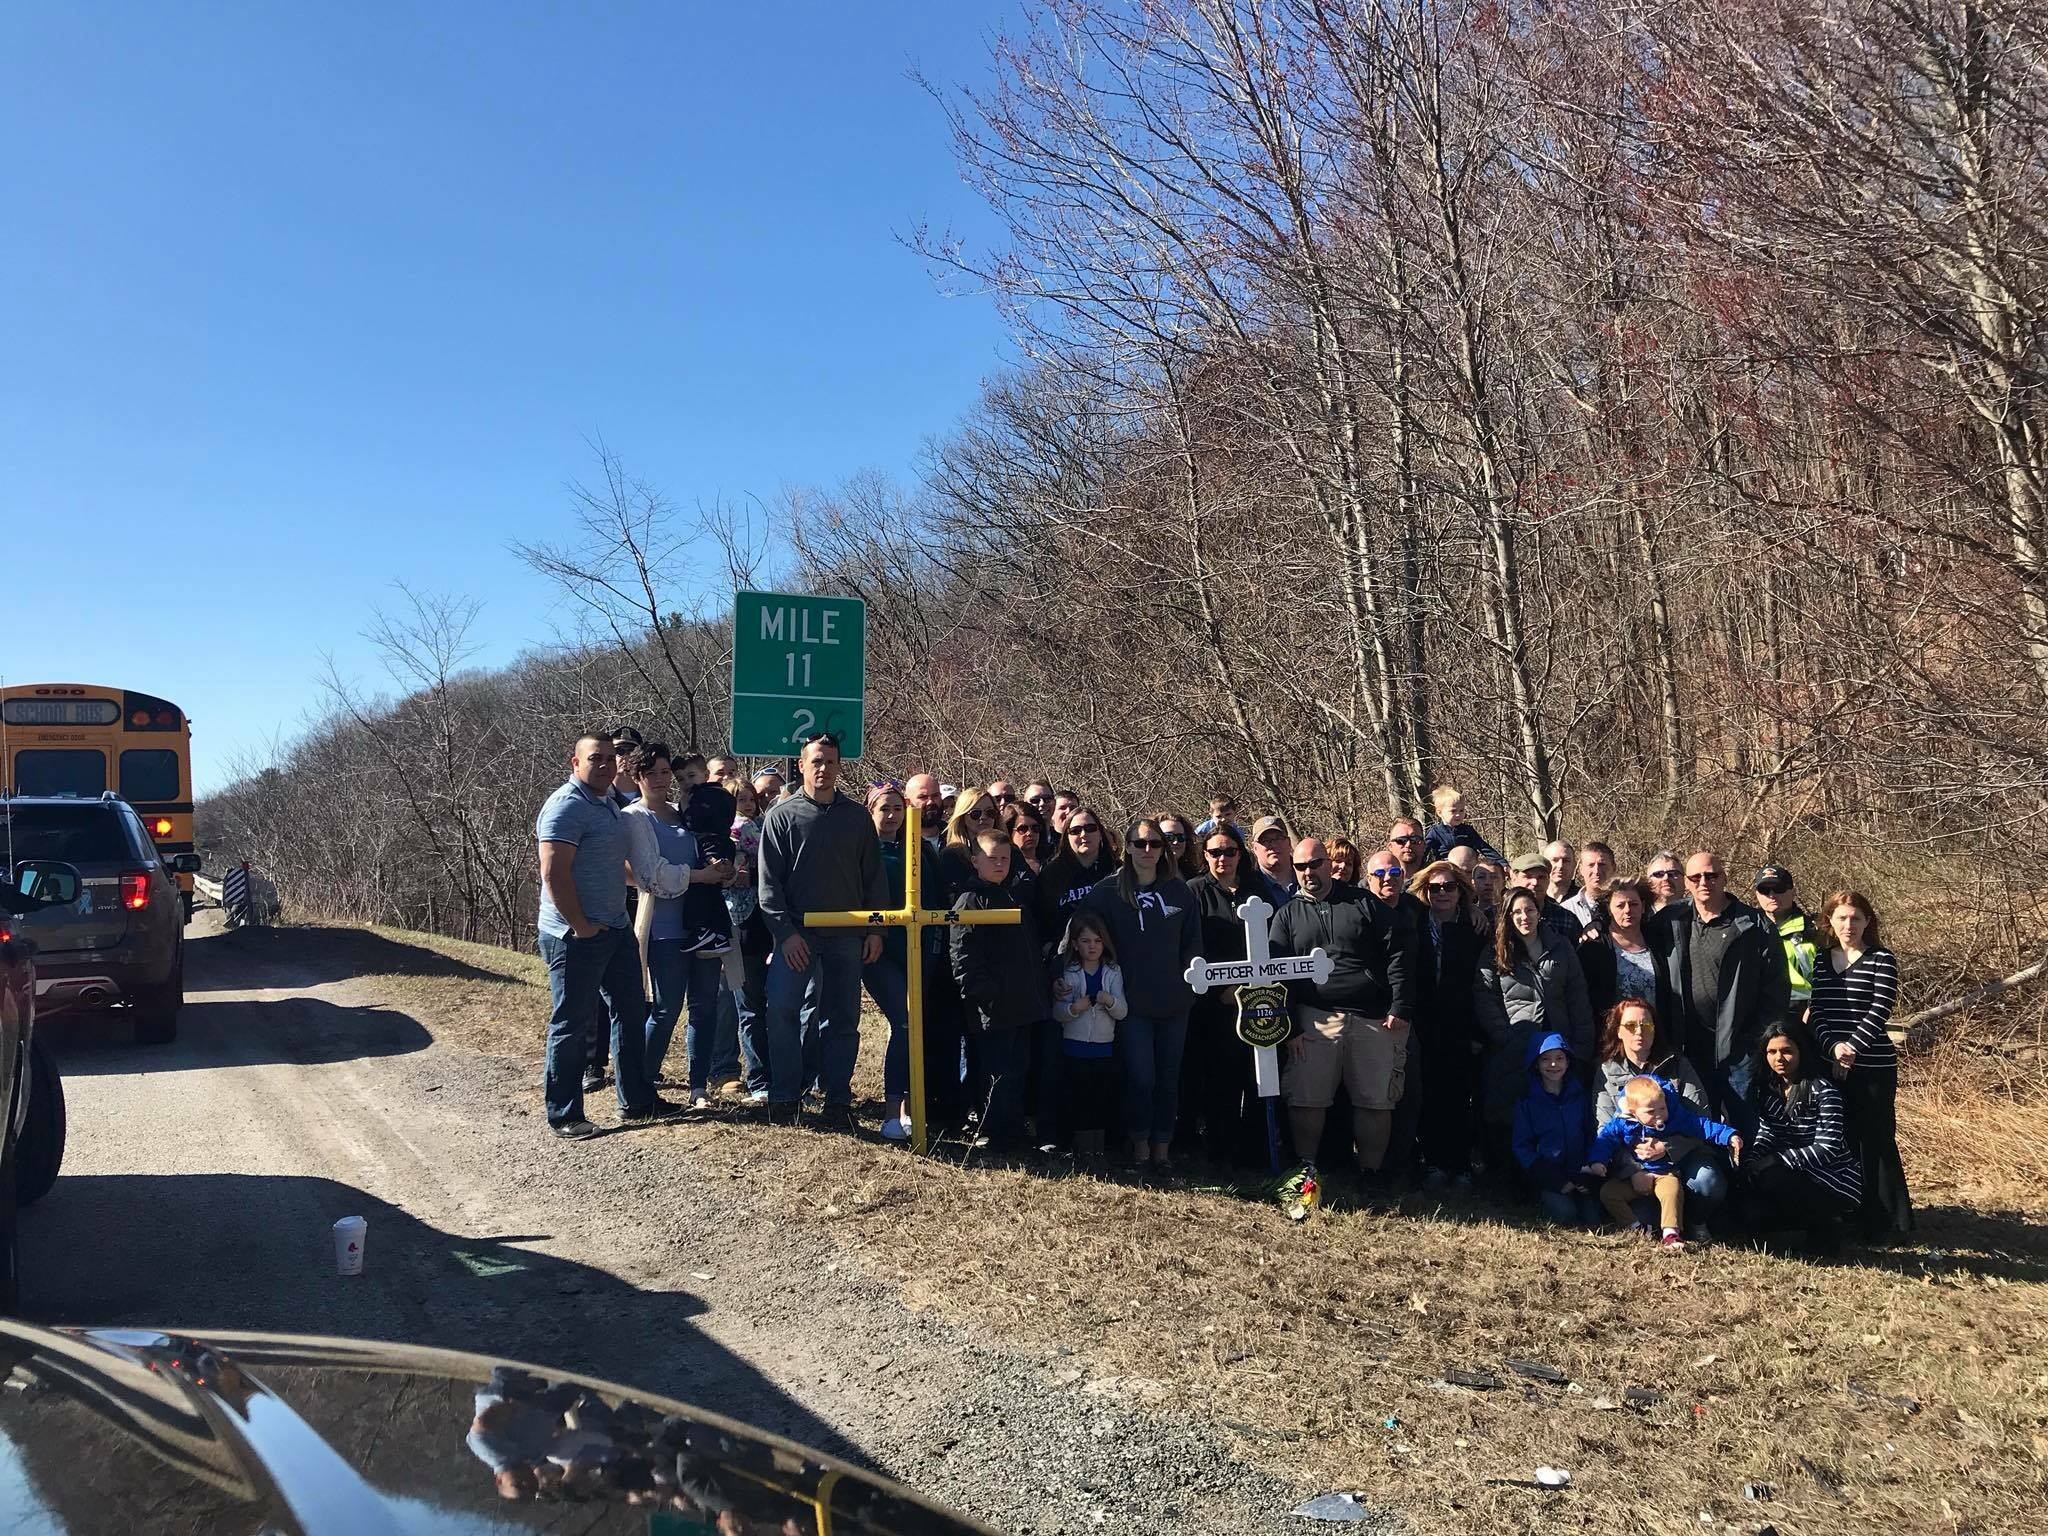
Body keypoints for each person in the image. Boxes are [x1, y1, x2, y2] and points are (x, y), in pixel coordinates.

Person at [536, 732, 692, 1138]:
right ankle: (565, 1114)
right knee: (571, 1022)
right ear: (575, 762)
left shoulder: (608, 803)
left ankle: (637, 1100)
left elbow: (611, 863)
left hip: (616, 928)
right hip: (574, 935)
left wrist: (644, 884)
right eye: (596, 758)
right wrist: (580, 926)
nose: (605, 764)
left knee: (631, 1011)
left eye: (610, 757)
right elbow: (553, 873)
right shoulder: (567, 806)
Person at [1268, 837, 1415, 1194]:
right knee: (1306, 1098)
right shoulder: (1287, 914)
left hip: (1373, 1019)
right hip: (1315, 1018)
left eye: (1314, 864)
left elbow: (1399, 952)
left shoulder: (1363, 902)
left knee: (1375, 1101)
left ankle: (1371, 1174)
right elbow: (1277, 972)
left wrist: (1400, 1006)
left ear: (1328, 864)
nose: (1308, 872)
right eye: (1300, 867)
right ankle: (1305, 1171)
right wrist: (1289, 1025)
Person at [756, 733, 885, 1128]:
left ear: (839, 766)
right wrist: (785, 934)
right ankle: (785, 1097)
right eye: (815, 761)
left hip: (847, 934)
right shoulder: (782, 816)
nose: (823, 768)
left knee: (842, 1019)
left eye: (830, 762)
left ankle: (837, 1100)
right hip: (797, 936)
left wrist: (876, 931)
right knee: (782, 1009)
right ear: (801, 765)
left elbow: (873, 878)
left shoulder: (857, 817)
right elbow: (768, 885)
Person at [1085, 817, 1200, 1169]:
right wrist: (1068, 972)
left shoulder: (1180, 892)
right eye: (1139, 843)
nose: (1147, 850)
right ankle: (1139, 1146)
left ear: (1164, 849)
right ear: (1128, 848)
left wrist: (1192, 980)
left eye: (1154, 844)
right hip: (1129, 1004)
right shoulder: (1107, 891)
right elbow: (1081, 933)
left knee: (1168, 1078)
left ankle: (1162, 1148)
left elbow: (1193, 944)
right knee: (1141, 1077)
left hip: (1174, 1002)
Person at [625, 745, 736, 1110]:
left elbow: (713, 844)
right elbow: (651, 875)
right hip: (664, 929)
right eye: (650, 773)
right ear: (637, 777)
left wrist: (724, 870)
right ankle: (639, 1085)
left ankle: (698, 1087)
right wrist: (702, 876)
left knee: (705, 1008)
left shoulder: (685, 810)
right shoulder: (635, 818)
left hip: (703, 925)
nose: (659, 780)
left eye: (664, 772)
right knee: (666, 1009)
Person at [1646, 850, 1791, 1127]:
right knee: (1697, 1127)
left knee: (1747, 1126)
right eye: (1696, 877)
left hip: (1740, 1050)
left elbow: (1777, 990)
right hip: (1689, 1047)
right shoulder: (1670, 921)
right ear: (1686, 882)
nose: (1704, 882)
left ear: (1724, 878)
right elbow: (1626, 928)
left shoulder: (1754, 925)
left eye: (1711, 876)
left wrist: (1756, 1039)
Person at [1810, 890, 1911, 1240]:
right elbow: (1817, 1011)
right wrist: (1833, 1048)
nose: (1848, 925)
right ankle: (1852, 1213)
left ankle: (1890, 1221)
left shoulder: (1882, 959)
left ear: (1868, 922)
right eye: (1842, 918)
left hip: (1873, 1066)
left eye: (1855, 918)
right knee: (1844, 1139)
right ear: (1830, 921)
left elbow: (1880, 1010)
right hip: (1831, 1063)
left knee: (1876, 1139)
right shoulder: (1822, 960)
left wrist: (1851, 1049)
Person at [1474, 887, 1594, 1181]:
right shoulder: (1495, 950)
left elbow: (1577, 995)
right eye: (1516, 912)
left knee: (1556, 1107)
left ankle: (1557, 1176)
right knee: (1510, 1109)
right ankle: (1510, 1178)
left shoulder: (1560, 946)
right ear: (1507, 916)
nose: (1524, 917)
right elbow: (1485, 995)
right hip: (1515, 1043)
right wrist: (1503, 1035)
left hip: (1556, 1042)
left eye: (1529, 910)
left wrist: (1581, 1042)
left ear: (1539, 912)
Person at [1593, 998, 1729, 1237]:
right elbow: (1605, 1130)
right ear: (1618, 1031)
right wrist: (1633, 1171)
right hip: (1636, 1166)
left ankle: (1696, 1221)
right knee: (1647, 1219)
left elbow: (1701, 1115)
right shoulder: (1606, 1072)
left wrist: (1666, 1147)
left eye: (1646, 1025)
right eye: (1630, 1026)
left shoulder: (1678, 1065)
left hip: (1684, 1155)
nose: (1639, 1032)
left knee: (1708, 1183)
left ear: (1655, 1030)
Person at [949, 831, 1047, 1150]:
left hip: (1023, 1003)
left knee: (1017, 1070)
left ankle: (1013, 1130)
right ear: (975, 860)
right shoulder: (969, 901)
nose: (1000, 864)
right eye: (992, 858)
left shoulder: (1012, 896)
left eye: (1005, 858)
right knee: (995, 1072)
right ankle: (993, 1131)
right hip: (993, 1008)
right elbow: (962, 955)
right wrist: (984, 994)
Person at [1584, 1075, 1741, 1250]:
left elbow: (1701, 1125)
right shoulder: (1621, 1123)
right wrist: (1597, 1161)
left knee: (1671, 1192)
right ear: (1633, 1111)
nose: (1659, 1115)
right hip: (1635, 1174)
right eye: (1651, 1112)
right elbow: (1605, 1140)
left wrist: (1728, 1135)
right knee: (1608, 1193)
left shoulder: (1675, 1117)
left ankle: (1671, 1233)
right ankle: (1636, 1226)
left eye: (1662, 1108)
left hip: (1665, 1172)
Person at [1743, 1021, 1861, 1248]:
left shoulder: (1824, 1091)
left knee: (1772, 1177)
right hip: (1787, 1172)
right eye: (1771, 1052)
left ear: (1801, 1051)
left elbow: (1828, 1148)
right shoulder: (1767, 1089)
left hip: (1830, 1178)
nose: (1779, 1058)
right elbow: (1767, 1132)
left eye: (1787, 1051)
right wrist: (1752, 1161)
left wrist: (1778, 1160)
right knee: (1748, 1204)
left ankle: (1828, 1224)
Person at [1183, 821, 1260, 1164]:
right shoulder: (1194, 891)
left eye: (1230, 851)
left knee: (1256, 1078)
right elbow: (1190, 946)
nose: (1222, 858)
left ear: (1240, 854)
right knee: (1219, 1080)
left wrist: (1250, 985)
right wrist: (1220, 991)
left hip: (1256, 998)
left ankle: (1255, 1153)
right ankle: (1220, 1154)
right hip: (1213, 1004)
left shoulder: (1257, 890)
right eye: (1215, 852)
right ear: (1205, 855)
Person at [865, 784, 936, 1142]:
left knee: (916, 1028)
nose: (892, 815)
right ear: (871, 812)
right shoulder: (862, 851)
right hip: (879, 954)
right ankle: (891, 1113)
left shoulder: (918, 849)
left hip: (919, 950)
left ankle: (912, 1110)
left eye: (897, 808)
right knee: (904, 1021)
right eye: (884, 809)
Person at [1411, 860, 1486, 1185]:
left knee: (1460, 1094)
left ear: (1461, 890)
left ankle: (1461, 1163)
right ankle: (1433, 1161)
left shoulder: (1474, 926)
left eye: (1449, 886)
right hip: (1425, 1021)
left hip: (1462, 1023)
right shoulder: (1413, 922)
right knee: (1429, 1093)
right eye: (1435, 888)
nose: (1442, 893)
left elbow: (1482, 983)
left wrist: (1478, 1030)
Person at [1053, 910, 1126, 1160]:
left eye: (1097, 941)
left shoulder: (1113, 971)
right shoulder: (1069, 972)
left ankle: (1099, 1149)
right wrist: (1074, 1008)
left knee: (1101, 1097)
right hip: (1074, 1047)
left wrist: (1109, 1000)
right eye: (1085, 941)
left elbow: (1122, 1011)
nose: (1092, 946)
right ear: (1075, 944)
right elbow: (1058, 1012)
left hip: (1103, 1047)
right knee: (1079, 1097)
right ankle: (1082, 1148)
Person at [1512, 1032, 1600, 1227]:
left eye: (1559, 1058)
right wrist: (1551, 1178)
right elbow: (1522, 1146)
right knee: (1565, 1214)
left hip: (1580, 1173)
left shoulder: (1579, 1096)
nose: (1553, 1064)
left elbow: (1590, 1133)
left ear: (1568, 1062)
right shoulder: (1527, 1101)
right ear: (1536, 1063)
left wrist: (1588, 1170)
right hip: (1548, 1176)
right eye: (1545, 1059)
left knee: (1593, 1217)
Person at [720, 778, 772, 1104]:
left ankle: (774, 1075)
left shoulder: (762, 824)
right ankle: (759, 1078)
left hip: (768, 923)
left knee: (769, 1005)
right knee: (749, 1007)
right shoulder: (735, 830)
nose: (748, 805)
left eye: (751, 798)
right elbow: (761, 867)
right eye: (740, 799)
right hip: (741, 923)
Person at [1578, 878, 1658, 1017]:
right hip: (1610, 1028)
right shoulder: (1594, 947)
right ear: (1609, 909)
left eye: (1633, 904)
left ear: (1643, 907)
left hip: (1651, 1027)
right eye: (1620, 906)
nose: (1628, 910)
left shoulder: (1657, 941)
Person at [1753, 865, 1820, 1011]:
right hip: (1758, 1009)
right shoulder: (1747, 930)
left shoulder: (1814, 930)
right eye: (1764, 890)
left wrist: (1814, 1008)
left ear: (1793, 892)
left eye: (1779, 889)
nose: (1772, 895)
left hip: (1804, 1010)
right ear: (1757, 895)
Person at [1507, 852, 1584, 946]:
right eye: (1528, 877)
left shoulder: (1566, 918)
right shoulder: (1498, 917)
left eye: (1541, 877)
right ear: (1514, 880)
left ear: (1548, 880)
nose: (1535, 882)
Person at [939, 786, 1002, 898]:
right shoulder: (952, 855)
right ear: (962, 817)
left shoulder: (1010, 849)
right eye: (975, 813)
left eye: (990, 812)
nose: (983, 817)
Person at [1422, 785, 1503, 863]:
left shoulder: (1468, 830)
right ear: (1440, 812)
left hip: (1468, 867)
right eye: (1453, 811)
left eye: (1461, 810)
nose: (1458, 815)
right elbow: (1422, 852)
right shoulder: (1435, 832)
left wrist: (1502, 862)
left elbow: (1484, 848)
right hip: (1446, 868)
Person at [1561, 841, 1615, 931]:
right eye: (1591, 865)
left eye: (1602, 865)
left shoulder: (1627, 906)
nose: (1596, 871)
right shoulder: (1566, 910)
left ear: (1614, 867)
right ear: (1581, 869)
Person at [1250, 816, 1296, 901]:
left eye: (1279, 839)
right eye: (1265, 841)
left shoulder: (1308, 875)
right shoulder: (1248, 887)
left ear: (1289, 843)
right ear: (1254, 848)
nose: (1274, 845)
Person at [1155, 810, 1202, 880]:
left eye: (1180, 837)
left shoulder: (1192, 873)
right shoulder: (1147, 875)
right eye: (1169, 837)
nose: (1176, 842)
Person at [1543, 839, 1576, 905]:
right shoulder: (1534, 901)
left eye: (1566, 861)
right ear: (1544, 864)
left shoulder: (1585, 899)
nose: (1560, 865)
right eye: (1554, 860)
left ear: (1574, 865)